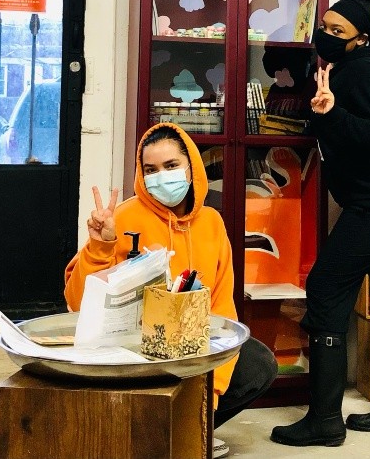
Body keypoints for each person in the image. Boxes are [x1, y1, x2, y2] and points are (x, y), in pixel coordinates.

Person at [270, 0, 370, 447]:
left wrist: (332, 113)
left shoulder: (363, 73)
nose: (326, 34)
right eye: (324, 26)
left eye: (337, 29)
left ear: (360, 37)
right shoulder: (341, 67)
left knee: (326, 286)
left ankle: (324, 420)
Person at [64, 122, 278, 457]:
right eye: (150, 170)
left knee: (258, 363)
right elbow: (78, 305)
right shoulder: (121, 217)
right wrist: (99, 246)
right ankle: (149, 434)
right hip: (134, 350)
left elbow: (222, 306)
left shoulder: (211, 222)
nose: (161, 177)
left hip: (190, 346)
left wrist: (212, 392)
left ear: (191, 168)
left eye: (171, 166)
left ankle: (190, 427)